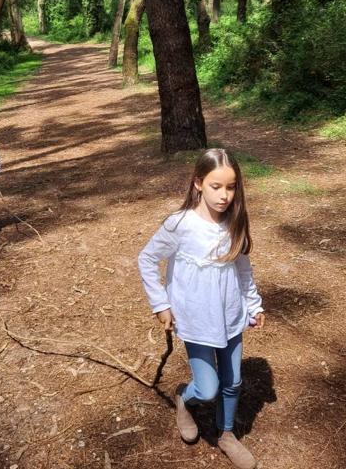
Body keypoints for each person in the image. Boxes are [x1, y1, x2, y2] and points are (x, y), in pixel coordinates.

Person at [138, 148, 265, 469]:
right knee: (208, 389)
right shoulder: (180, 224)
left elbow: (243, 271)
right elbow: (148, 259)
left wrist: (253, 304)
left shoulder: (234, 223)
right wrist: (161, 304)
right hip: (196, 319)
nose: (224, 196)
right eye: (216, 186)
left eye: (231, 187)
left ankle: (226, 434)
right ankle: (185, 397)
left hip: (230, 316)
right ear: (198, 183)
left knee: (233, 381)